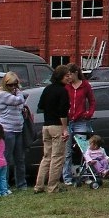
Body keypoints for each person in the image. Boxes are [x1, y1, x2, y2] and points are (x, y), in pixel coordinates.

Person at [34, 64, 71, 193]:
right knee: (57, 157)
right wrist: (65, 129)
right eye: (67, 76)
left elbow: (40, 105)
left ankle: (39, 186)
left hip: (46, 126)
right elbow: (63, 112)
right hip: (57, 126)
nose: (69, 78)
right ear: (60, 76)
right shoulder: (63, 91)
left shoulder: (47, 89)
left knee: (46, 157)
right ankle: (52, 186)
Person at [0, 71, 30, 189]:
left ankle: (21, 184)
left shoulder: (14, 94)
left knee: (20, 158)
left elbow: (20, 106)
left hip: (18, 129)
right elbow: (19, 101)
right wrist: (19, 92)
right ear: (5, 84)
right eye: (10, 85)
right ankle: (3, 185)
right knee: (6, 158)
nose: (13, 87)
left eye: (15, 84)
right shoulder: (2, 94)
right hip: (7, 129)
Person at [61, 66, 96, 185]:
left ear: (76, 73)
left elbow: (92, 101)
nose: (69, 77)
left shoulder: (85, 85)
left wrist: (89, 113)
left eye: (70, 74)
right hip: (68, 121)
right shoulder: (66, 86)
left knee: (84, 149)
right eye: (67, 75)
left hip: (81, 121)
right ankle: (67, 177)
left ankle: (85, 174)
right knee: (67, 151)